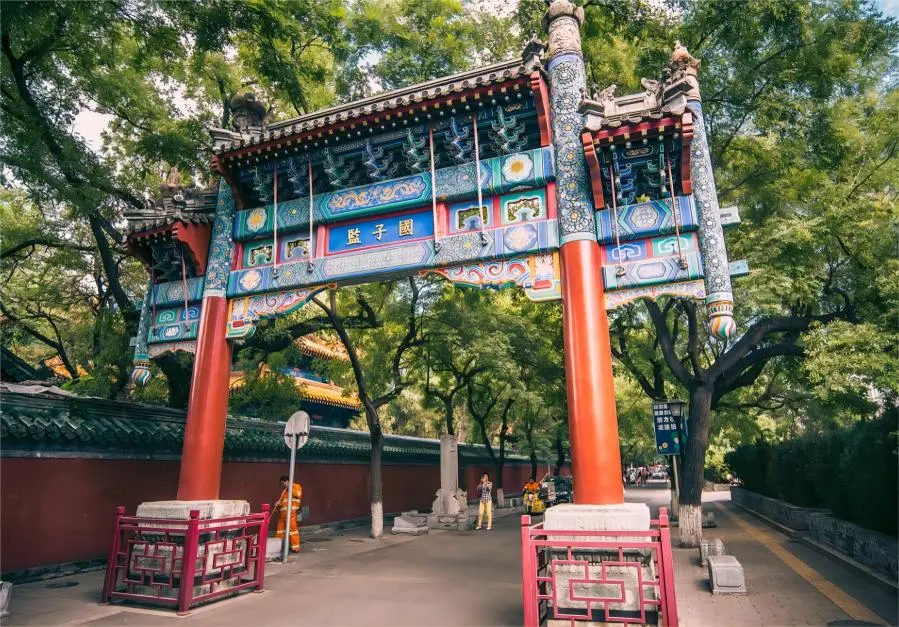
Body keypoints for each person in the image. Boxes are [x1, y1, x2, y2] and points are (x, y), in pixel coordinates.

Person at [273, 474, 302, 552]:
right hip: (283, 515)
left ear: (287, 482)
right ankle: (279, 547)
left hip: (291, 513)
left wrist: (289, 487)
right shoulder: (284, 491)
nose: (282, 485)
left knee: (293, 530)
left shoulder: (296, 486)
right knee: (280, 531)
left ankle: (295, 548)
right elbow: (283, 502)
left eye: (282, 483)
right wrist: (278, 504)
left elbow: (298, 494)